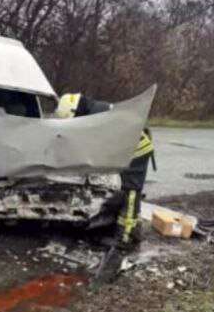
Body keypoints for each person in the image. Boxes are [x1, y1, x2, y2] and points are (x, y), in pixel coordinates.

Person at [55, 93, 155, 250]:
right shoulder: (94, 109)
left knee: (130, 192)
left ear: (75, 111)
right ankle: (133, 229)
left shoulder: (96, 116)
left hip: (136, 151)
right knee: (127, 192)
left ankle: (126, 238)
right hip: (128, 148)